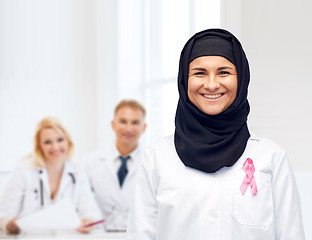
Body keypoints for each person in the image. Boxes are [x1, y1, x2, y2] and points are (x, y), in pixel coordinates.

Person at [126, 29, 305, 239]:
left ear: (241, 79)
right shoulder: (156, 157)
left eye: (224, 72)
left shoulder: (271, 157)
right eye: (199, 73)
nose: (211, 84)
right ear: (184, 80)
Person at [0, 117, 102, 234]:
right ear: (39, 146)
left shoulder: (77, 171)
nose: (55, 147)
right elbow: (3, 213)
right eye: (47, 142)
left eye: (60, 140)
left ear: (68, 141)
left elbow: (90, 210)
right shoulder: (24, 170)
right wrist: (9, 223)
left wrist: (88, 220)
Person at [83, 99, 147, 231]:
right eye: (123, 121)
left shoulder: (152, 162)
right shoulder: (90, 162)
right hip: (100, 235)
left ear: (144, 128)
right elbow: (84, 202)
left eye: (135, 122)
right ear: (113, 125)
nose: (128, 128)